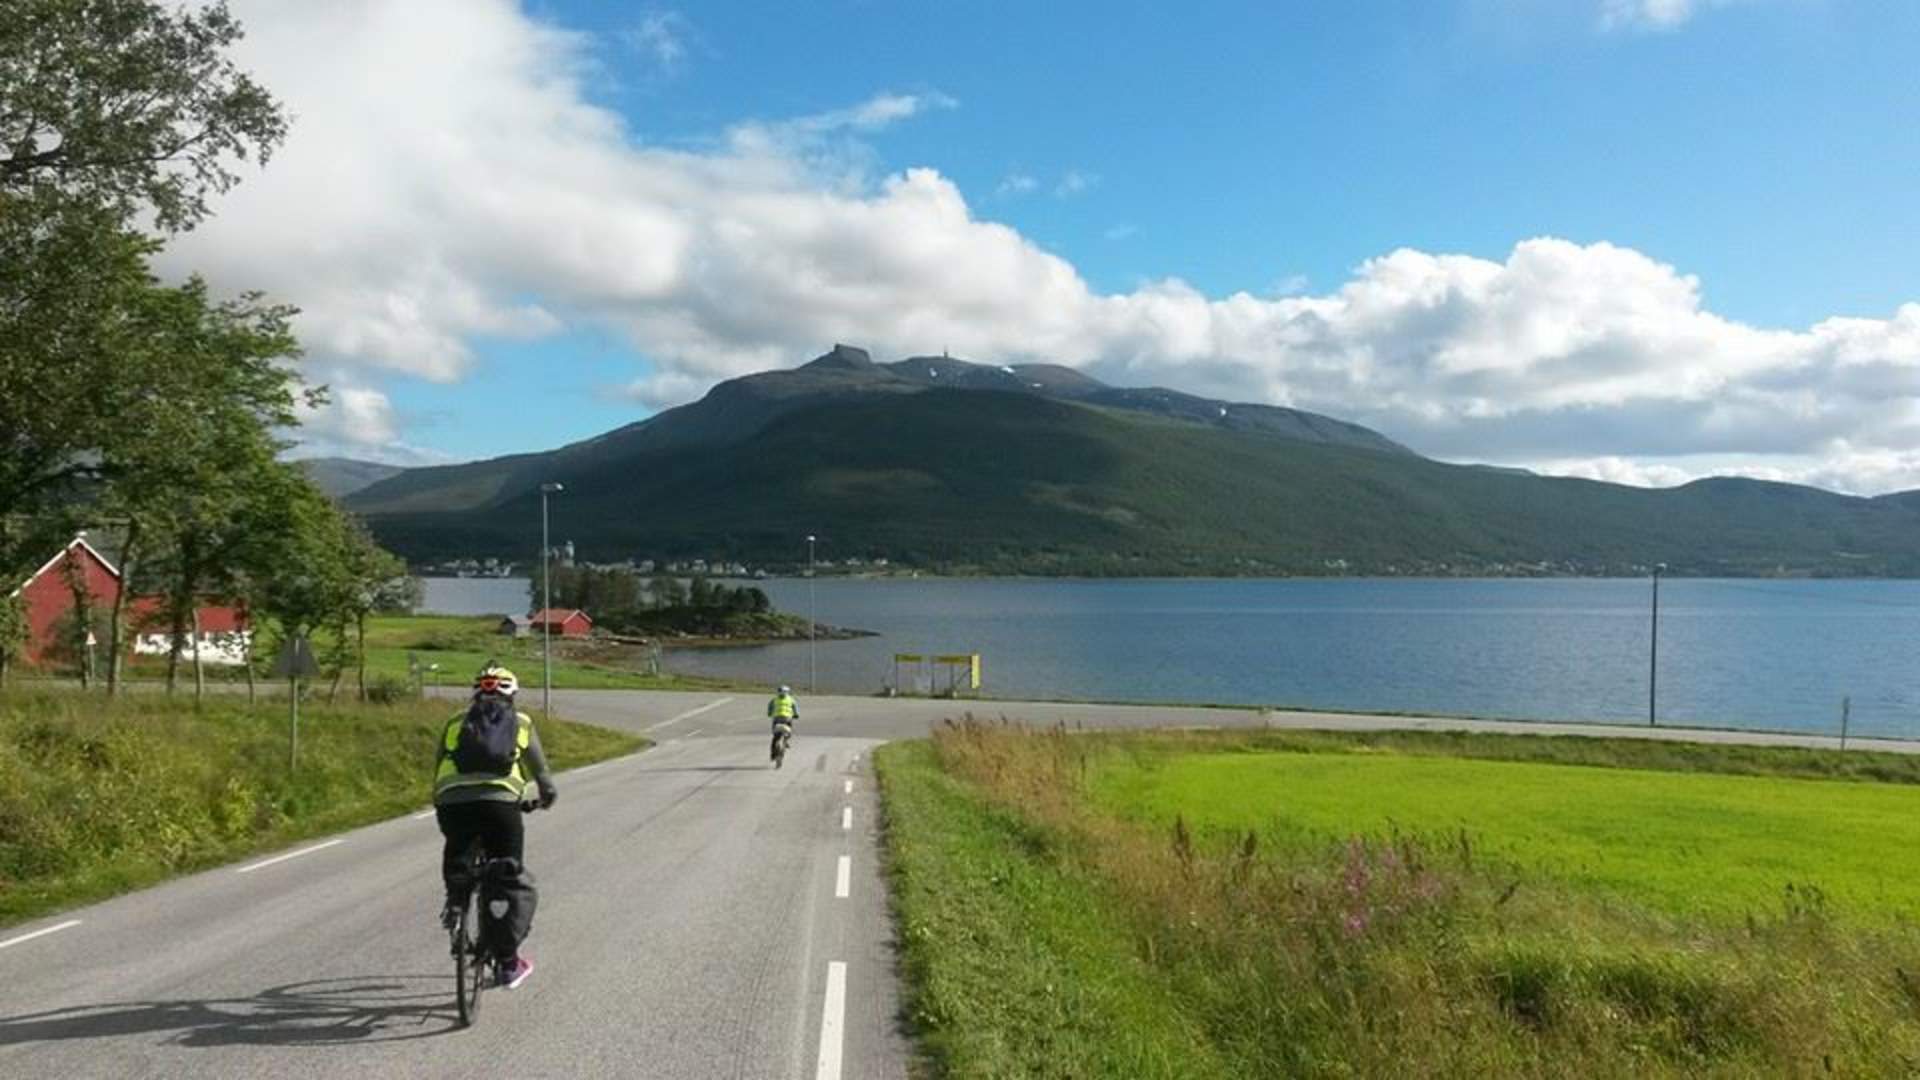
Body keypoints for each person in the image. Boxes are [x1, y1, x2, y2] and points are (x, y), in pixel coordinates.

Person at [434, 663, 557, 989]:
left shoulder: (454, 723)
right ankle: (507, 963)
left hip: (451, 802)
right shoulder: (522, 722)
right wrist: (546, 797)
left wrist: (446, 802)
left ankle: (456, 903)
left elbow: (438, 769)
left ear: (477, 693)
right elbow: (543, 776)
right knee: (507, 878)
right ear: (512, 694)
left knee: (458, 853)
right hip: (500, 806)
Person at [767, 683, 799, 762]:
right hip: (787, 719)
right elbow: (795, 708)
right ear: (787, 692)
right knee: (789, 732)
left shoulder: (774, 699)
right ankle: (786, 741)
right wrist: (796, 715)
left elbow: (770, 707)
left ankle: (773, 754)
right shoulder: (791, 699)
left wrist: (769, 713)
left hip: (777, 719)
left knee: (775, 737)